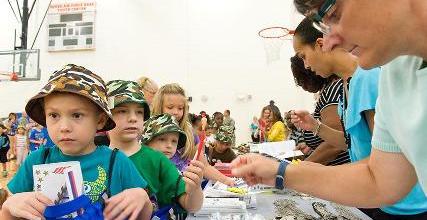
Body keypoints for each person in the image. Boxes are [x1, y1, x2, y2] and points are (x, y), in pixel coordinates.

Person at [232, 0, 427, 209]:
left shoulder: (370, 77)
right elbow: (380, 179)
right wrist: (280, 172)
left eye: (335, 14)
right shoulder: (395, 72)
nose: (332, 41)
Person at [291, 16, 427, 218]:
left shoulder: (368, 78)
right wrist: (316, 126)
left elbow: (385, 157)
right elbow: (354, 143)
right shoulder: (348, 85)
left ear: (321, 44)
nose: (307, 65)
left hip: (404, 206)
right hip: (382, 201)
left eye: (303, 56)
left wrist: (310, 175)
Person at [1, 64, 152, 220]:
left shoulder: (117, 161)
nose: (64, 127)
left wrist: (143, 199)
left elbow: (144, 215)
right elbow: (9, 212)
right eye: (54, 115)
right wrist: (8, 207)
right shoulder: (36, 160)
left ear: (100, 120)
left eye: (77, 115)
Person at [106, 80, 204, 214]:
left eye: (139, 112)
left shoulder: (157, 160)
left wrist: (195, 189)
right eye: (122, 111)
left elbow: (191, 206)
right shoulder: (95, 158)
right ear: (104, 116)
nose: (133, 118)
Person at [151, 83, 235, 186]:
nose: (176, 112)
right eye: (170, 107)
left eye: (180, 108)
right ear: (159, 106)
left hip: (187, 194)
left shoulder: (189, 134)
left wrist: (226, 181)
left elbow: (204, 166)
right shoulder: (148, 134)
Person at [290, 55, 350, 165]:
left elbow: (334, 145)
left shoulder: (331, 92)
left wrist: (301, 167)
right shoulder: (329, 91)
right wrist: (311, 145)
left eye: (300, 78)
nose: (301, 84)